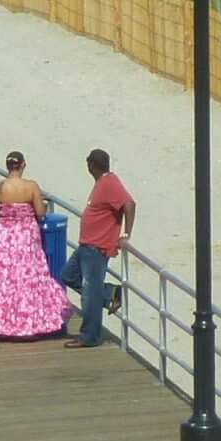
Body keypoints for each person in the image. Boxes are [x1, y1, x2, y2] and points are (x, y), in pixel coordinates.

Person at [0, 150, 70, 340]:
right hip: (25, 235)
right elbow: (40, 212)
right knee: (29, 278)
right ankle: (30, 324)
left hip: (5, 235)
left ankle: (4, 326)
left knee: (6, 279)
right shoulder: (31, 186)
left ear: (8, 166)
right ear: (23, 165)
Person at [65, 148, 135, 347]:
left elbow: (129, 204)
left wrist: (126, 234)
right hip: (86, 245)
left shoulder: (110, 182)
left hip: (97, 247)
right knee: (68, 275)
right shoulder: (102, 183)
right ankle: (109, 293)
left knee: (89, 294)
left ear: (91, 165)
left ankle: (90, 337)